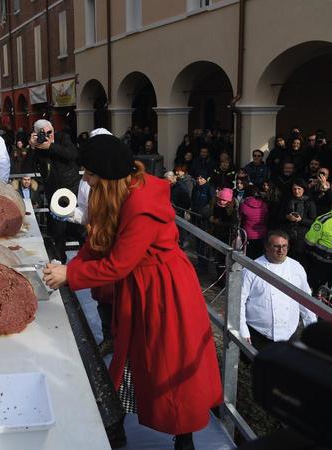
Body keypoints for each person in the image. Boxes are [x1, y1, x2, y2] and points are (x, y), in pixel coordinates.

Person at [42, 134, 222, 450]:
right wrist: (69, 265)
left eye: (90, 173)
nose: (85, 178)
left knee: (169, 362)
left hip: (164, 293)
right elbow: (98, 241)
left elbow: (117, 264)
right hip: (144, 288)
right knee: (131, 360)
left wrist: (70, 273)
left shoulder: (140, 206)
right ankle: (116, 427)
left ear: (106, 174)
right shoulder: (118, 193)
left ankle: (182, 437)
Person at [239, 231, 317, 350]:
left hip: (289, 334)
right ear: (266, 247)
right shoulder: (252, 269)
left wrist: (312, 328)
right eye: (276, 246)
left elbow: (305, 299)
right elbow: (239, 301)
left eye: (284, 246)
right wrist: (243, 331)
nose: (281, 250)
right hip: (258, 334)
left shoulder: (296, 267)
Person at [30, 118, 81, 261]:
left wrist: (50, 147)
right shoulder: (38, 147)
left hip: (72, 192)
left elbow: (72, 155)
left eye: (50, 132)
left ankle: (84, 266)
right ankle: (61, 269)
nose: (47, 135)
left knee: (80, 230)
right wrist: (33, 147)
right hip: (54, 197)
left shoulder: (62, 138)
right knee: (58, 235)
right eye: (43, 133)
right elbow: (29, 167)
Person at [282, 179, 317, 262]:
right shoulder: (288, 200)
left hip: (302, 236)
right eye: (294, 189)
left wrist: (301, 220)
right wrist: (287, 217)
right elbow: (280, 215)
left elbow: (314, 222)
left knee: (300, 259)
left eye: (299, 189)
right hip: (288, 234)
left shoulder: (310, 202)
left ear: (304, 189)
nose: (296, 191)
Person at [239, 185, 269, 259]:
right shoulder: (264, 205)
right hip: (261, 234)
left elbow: (240, 218)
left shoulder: (243, 205)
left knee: (248, 257)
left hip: (248, 235)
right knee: (259, 258)